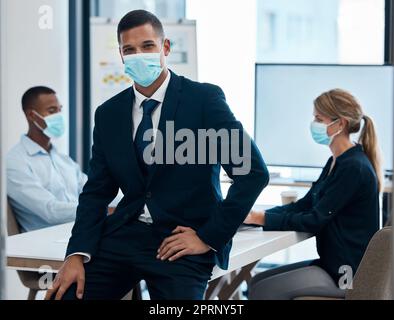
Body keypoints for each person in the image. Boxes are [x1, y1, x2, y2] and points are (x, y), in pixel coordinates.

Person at [45, 10, 269, 300]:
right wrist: (76, 253)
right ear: (122, 56)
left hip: (182, 240)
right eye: (130, 49)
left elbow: (253, 173)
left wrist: (207, 237)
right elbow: (96, 192)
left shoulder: (203, 101)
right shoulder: (109, 114)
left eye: (147, 46)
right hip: (125, 235)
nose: (139, 55)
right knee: (64, 296)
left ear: (165, 48)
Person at [245, 89, 381, 300]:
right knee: (255, 282)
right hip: (333, 265)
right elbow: (305, 205)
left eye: (319, 118)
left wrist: (260, 218)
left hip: (348, 274)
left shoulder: (353, 168)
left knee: (263, 290)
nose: (314, 123)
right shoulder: (337, 162)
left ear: (340, 124)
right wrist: (256, 217)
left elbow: (315, 219)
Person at [7, 86, 87, 232]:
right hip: (45, 244)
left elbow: (93, 189)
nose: (59, 115)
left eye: (59, 110)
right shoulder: (14, 162)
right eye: (51, 111)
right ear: (32, 115)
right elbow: (50, 211)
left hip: (80, 233)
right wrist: (100, 208)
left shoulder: (64, 160)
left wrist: (131, 200)